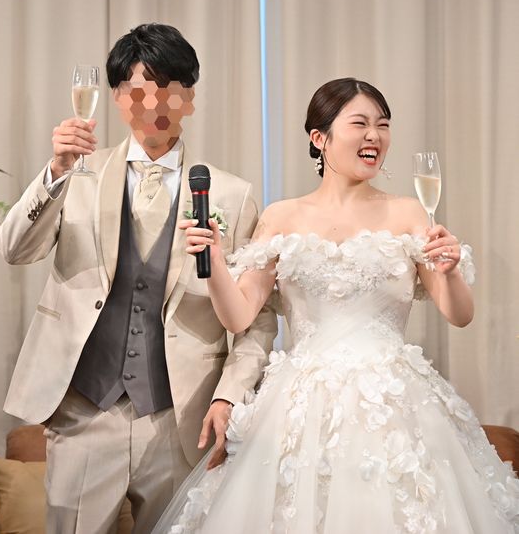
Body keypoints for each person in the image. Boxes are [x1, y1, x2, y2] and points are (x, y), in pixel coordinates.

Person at [153, 78, 519, 533]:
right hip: (300, 407)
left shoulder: (408, 213)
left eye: (383, 125)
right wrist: (212, 262)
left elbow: (460, 315)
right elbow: (240, 314)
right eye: (360, 124)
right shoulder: (281, 216)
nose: (375, 136)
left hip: (395, 406)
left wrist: (448, 271)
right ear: (319, 138)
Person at [0, 23, 277, 533]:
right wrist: (56, 170)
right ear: (118, 96)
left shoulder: (231, 195)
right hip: (84, 412)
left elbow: (257, 318)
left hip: (180, 417)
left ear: (190, 97)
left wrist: (230, 393)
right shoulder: (77, 176)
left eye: (171, 88)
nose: (156, 103)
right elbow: (14, 249)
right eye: (140, 89)